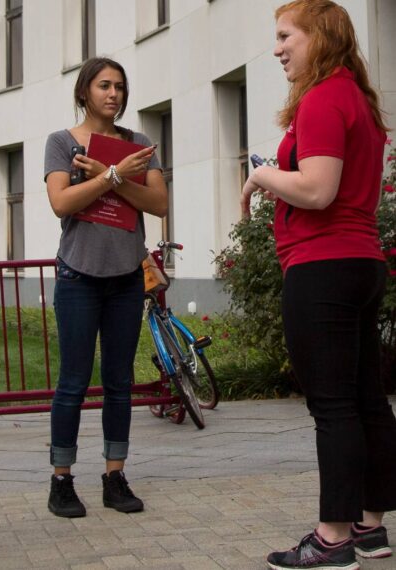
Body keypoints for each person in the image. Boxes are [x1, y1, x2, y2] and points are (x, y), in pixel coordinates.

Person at [239, 1, 396, 568]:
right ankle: (369, 526)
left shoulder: (325, 97)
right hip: (359, 262)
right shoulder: (354, 95)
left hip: (322, 266)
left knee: (333, 405)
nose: (277, 48)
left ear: (318, 37)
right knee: (364, 398)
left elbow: (317, 189)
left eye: (285, 36)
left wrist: (261, 174)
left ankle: (332, 539)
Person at [42, 57, 168, 519]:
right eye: (103, 86)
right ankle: (61, 481)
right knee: (72, 384)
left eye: (119, 86)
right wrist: (112, 175)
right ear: (84, 92)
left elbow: (158, 203)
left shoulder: (138, 145)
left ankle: (115, 477)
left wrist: (116, 174)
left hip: (125, 281)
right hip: (78, 278)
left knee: (119, 383)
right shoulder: (61, 143)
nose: (113, 94)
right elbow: (61, 203)